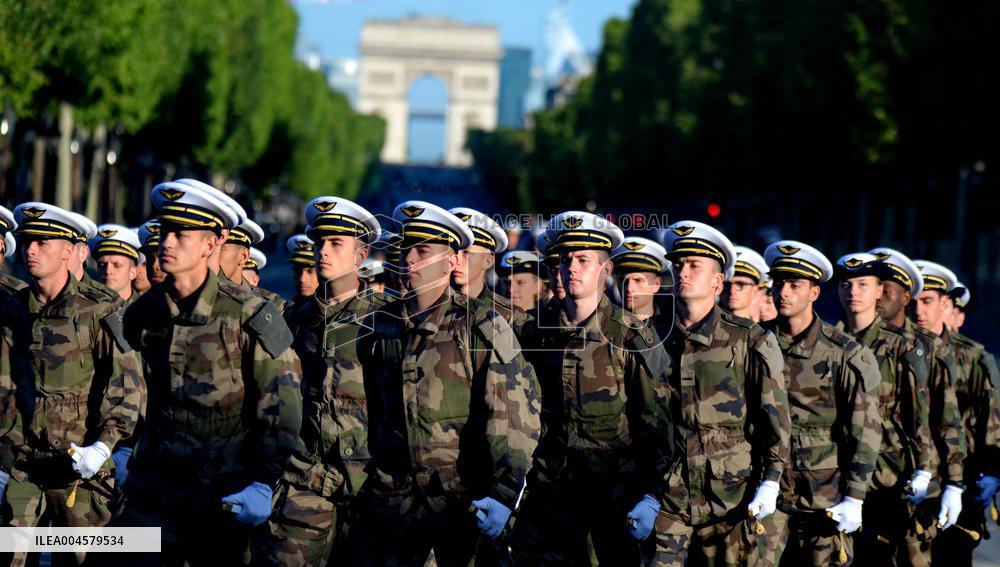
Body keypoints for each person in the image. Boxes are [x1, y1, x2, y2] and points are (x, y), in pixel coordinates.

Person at [115, 181, 302, 566]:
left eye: (181, 235)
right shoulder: (143, 313)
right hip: (153, 494)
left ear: (212, 243)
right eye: (166, 231)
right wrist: (118, 447)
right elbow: (128, 386)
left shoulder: (248, 314)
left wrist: (264, 482)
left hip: (222, 498)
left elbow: (282, 407)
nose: (166, 242)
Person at [353, 200, 541, 565]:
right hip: (394, 506)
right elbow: (369, 413)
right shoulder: (379, 326)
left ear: (451, 261)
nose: (410, 259)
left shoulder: (481, 326)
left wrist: (504, 494)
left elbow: (512, 417)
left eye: (424, 251)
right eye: (407, 249)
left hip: (462, 504)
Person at [511, 211, 672, 565]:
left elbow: (657, 425)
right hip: (550, 500)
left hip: (613, 502)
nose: (572, 268)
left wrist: (651, 495)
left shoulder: (632, 336)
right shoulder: (534, 335)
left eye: (584, 260)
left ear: (606, 269)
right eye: (565, 260)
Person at [1, 202, 142, 567]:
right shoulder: (12, 309)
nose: (30, 250)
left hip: (79, 472)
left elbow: (126, 387)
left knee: (79, 561)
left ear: (68, 251)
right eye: (27, 241)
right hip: (24, 467)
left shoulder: (99, 309)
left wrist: (103, 446)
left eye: (42, 242)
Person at [650, 220, 790, 567]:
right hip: (667, 495)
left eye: (694, 265)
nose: (683, 272)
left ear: (717, 281)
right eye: (678, 264)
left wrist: (771, 481)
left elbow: (774, 419)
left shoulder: (750, 340)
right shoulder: (650, 337)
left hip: (731, 496)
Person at [265, 196, 385, 566]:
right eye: (319, 243)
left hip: (370, 485)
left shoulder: (386, 321)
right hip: (304, 483)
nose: (323, 252)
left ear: (360, 256)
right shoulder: (295, 319)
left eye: (336, 243)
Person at [754, 243, 881, 566]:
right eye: (779, 283)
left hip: (824, 495)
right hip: (765, 491)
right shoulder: (754, 343)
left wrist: (855, 496)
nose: (783, 292)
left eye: (794, 285)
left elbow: (864, 430)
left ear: (814, 293)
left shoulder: (844, 353)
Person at [914, 261, 1000, 567]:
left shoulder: (971, 357)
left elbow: (990, 419)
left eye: (927, 301)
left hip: (959, 479)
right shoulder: (897, 350)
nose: (918, 311)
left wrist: (991, 473)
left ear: (945, 304)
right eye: (913, 301)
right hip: (909, 480)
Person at [450, 206, 530, 334]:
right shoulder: (425, 308)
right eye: (453, 252)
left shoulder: (513, 319)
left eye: (467, 253)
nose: (456, 260)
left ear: (488, 261)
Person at [89, 224, 143, 304]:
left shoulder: (147, 310)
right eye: (102, 265)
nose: (107, 271)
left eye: (117, 265)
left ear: (133, 272)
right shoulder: (84, 307)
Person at [721, 246, 767, 322]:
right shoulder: (703, 325)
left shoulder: (764, 329)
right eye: (726, 284)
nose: (732, 291)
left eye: (740, 284)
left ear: (754, 291)